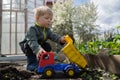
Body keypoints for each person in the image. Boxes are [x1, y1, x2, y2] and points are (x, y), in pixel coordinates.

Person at [25, 6, 65, 71]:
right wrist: (38, 49)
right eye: (46, 18)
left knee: (47, 46)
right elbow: (32, 41)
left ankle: (43, 61)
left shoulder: (47, 30)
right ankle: (31, 65)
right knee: (29, 48)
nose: (49, 20)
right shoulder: (32, 29)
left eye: (50, 19)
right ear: (37, 18)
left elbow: (53, 36)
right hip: (30, 46)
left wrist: (60, 39)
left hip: (40, 45)